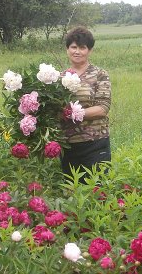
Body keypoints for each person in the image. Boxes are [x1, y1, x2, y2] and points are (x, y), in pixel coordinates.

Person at [60, 26, 111, 184]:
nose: (77, 51)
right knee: (72, 192)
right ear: (67, 49)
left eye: (82, 47)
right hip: (68, 145)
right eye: (73, 47)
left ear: (89, 51)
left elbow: (103, 108)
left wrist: (74, 113)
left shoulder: (100, 74)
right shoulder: (59, 78)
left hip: (95, 142)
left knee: (97, 190)